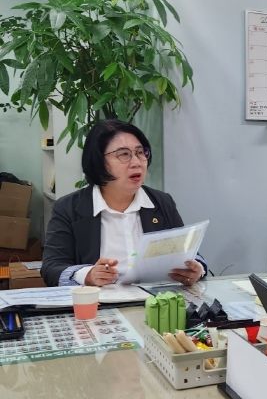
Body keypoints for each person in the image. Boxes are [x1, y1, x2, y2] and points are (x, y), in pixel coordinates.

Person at [41, 119, 206, 287]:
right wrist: (87, 275)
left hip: (155, 299)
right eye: (124, 154)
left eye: (140, 153)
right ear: (98, 161)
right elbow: (51, 268)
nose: (137, 162)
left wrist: (197, 269)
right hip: (100, 302)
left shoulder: (161, 202)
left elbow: (188, 254)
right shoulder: (68, 208)